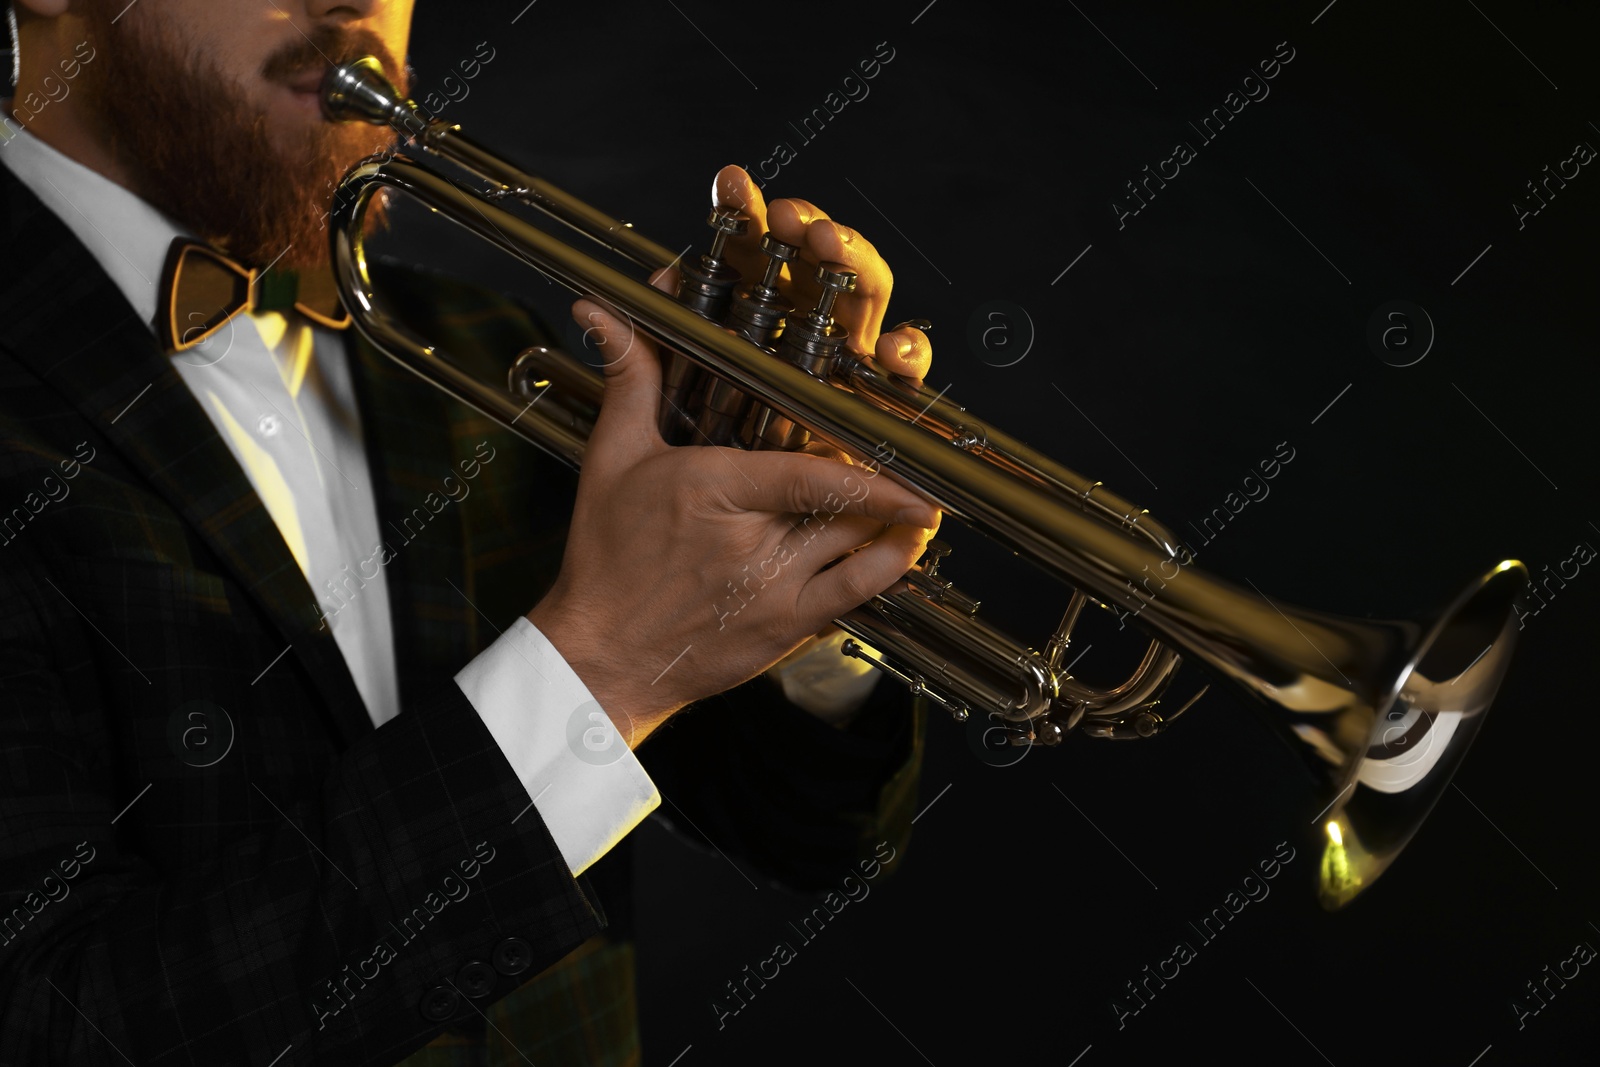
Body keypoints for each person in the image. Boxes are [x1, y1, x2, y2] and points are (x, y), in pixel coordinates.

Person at [0, 1, 939, 1063]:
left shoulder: (486, 353)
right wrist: (600, 667)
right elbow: (55, 1027)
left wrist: (794, 570)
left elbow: (813, 838)